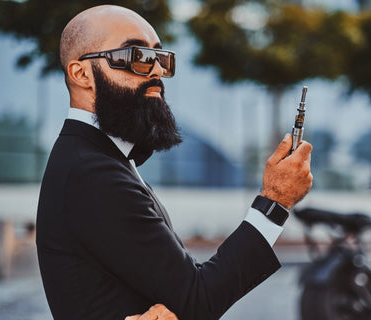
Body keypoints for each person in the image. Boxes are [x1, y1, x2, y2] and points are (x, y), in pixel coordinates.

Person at [36, 5, 313, 320]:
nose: (155, 70)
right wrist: (275, 199)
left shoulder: (100, 159)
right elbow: (196, 298)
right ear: (81, 74)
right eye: (137, 57)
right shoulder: (92, 173)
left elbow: (181, 288)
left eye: (160, 58)